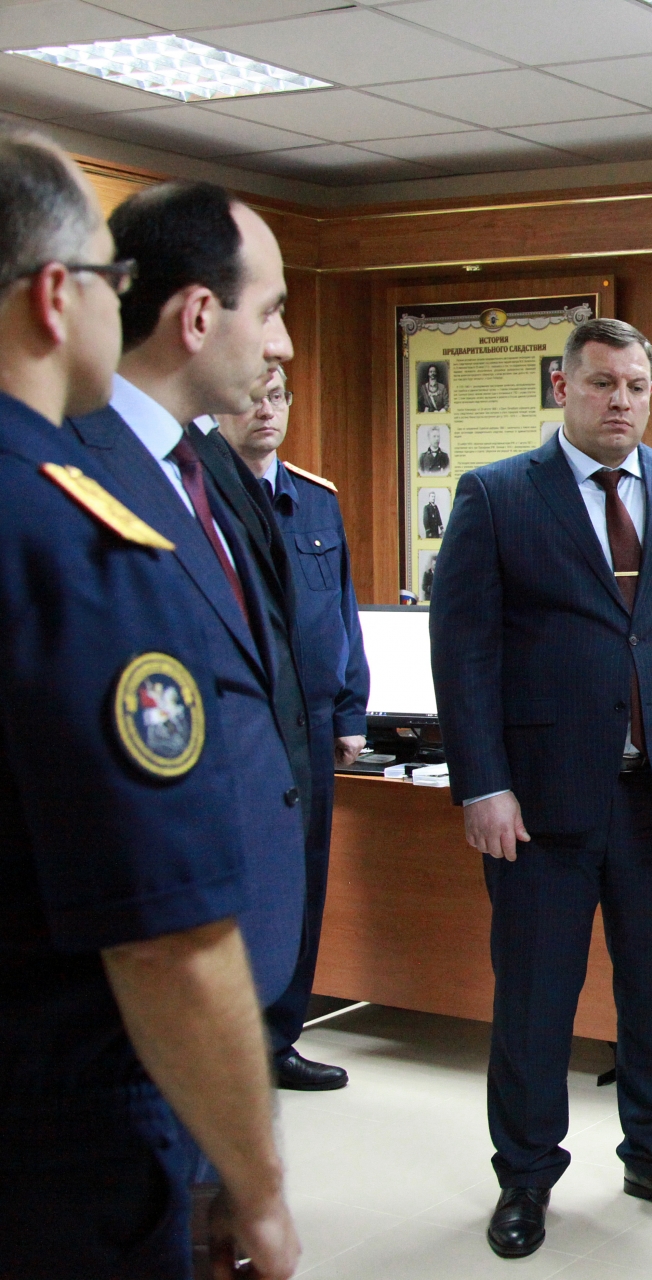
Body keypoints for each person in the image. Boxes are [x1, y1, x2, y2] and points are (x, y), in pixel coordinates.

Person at [0, 130, 299, 1280]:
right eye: (106, 277)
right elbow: (163, 934)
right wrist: (258, 1183)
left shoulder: (202, 470)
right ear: (53, 295)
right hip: (56, 1111)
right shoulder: (74, 534)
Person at [431, 318, 652, 1259]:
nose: (621, 401)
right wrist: (482, 785)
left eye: (636, 386)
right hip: (539, 804)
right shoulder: (497, 494)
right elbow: (463, 653)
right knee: (536, 999)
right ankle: (525, 1175)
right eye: (602, 383)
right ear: (563, 387)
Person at [67, 179, 311, 1005]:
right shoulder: (69, 473)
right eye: (271, 312)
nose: (283, 346)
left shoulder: (205, 468)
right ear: (200, 315)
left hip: (237, 926)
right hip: (141, 968)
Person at [215, 367, 370, 1091]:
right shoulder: (202, 496)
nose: (265, 411)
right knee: (245, 887)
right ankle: (229, 1047)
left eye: (276, 397)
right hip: (242, 729)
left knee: (304, 883)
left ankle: (279, 1040)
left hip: (311, 725)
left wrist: (351, 710)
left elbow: (342, 613)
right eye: (250, 397)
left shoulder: (315, 500)